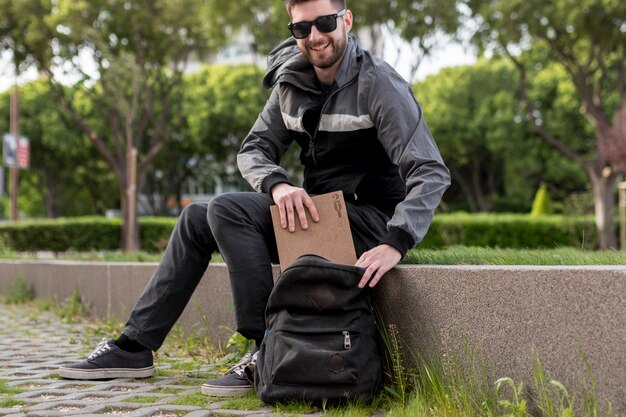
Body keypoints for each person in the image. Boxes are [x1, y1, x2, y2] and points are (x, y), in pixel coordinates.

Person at [57, 0, 450, 398]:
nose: (314, 37)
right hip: (322, 217)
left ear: (346, 20)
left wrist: (395, 241)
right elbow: (253, 149)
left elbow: (430, 170)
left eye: (325, 23)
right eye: (301, 29)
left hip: (367, 222)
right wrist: (278, 185)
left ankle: (267, 348)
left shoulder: (378, 83)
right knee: (197, 218)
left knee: (228, 208)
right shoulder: (291, 82)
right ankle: (134, 347)